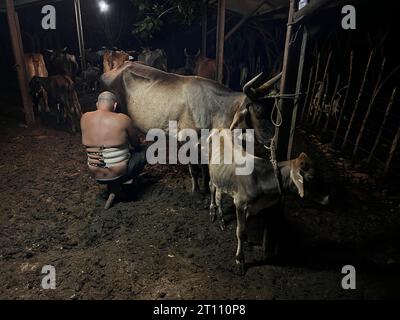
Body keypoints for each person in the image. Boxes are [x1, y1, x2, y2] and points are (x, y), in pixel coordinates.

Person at [81, 91, 146, 184]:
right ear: (115, 105)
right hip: (118, 173)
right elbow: (136, 144)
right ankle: (127, 180)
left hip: (96, 175)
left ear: (97, 104)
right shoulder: (123, 119)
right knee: (145, 150)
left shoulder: (84, 117)